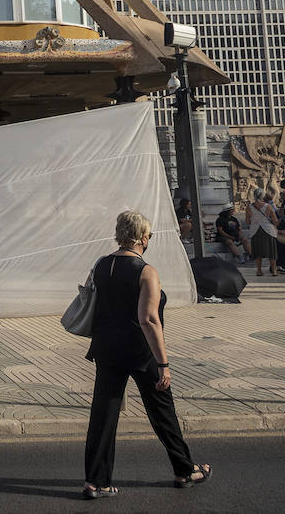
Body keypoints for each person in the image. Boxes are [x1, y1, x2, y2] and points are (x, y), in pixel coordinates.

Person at [82, 211, 210, 499]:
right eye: (149, 235)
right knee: (163, 413)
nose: (149, 239)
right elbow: (149, 319)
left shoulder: (101, 265)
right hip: (141, 352)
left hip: (106, 349)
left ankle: (96, 482)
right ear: (141, 237)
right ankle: (184, 470)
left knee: (103, 416)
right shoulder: (146, 271)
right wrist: (163, 363)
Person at [245, 188, 280, 276]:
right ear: (262, 196)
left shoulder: (249, 207)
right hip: (268, 230)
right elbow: (275, 220)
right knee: (271, 251)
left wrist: (255, 221)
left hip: (255, 230)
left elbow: (247, 221)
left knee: (257, 251)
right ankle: (274, 271)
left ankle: (259, 270)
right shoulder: (268, 206)